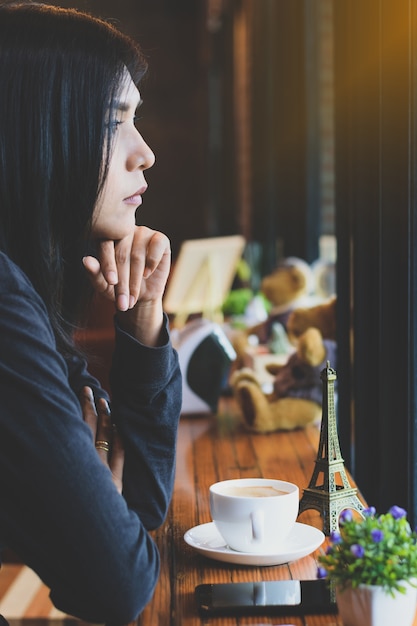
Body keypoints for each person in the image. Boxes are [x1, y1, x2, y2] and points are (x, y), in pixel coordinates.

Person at [0, 3, 182, 624]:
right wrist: (102, 490)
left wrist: (144, 320)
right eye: (115, 122)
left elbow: (142, 505)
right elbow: (117, 583)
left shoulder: (21, 280)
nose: (146, 153)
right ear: (37, 130)